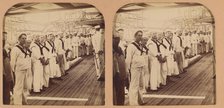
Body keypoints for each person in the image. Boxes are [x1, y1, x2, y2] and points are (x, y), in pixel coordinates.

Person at [126, 30, 145, 105]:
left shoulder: (140, 45)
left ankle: (140, 100)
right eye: (139, 35)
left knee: (140, 85)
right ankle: (133, 103)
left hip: (140, 67)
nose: (140, 37)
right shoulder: (131, 46)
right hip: (135, 68)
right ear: (135, 36)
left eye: (141, 35)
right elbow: (128, 58)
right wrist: (127, 69)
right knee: (134, 85)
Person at [10, 33, 30, 105]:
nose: (24, 40)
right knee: (18, 88)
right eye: (22, 38)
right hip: (19, 71)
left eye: (25, 38)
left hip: (25, 70)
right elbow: (12, 62)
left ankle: (24, 101)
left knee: (25, 87)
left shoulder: (25, 48)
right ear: (19, 39)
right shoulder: (15, 49)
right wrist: (13, 71)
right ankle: (17, 104)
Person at [113, 31, 127, 105]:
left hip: (122, 75)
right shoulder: (110, 50)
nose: (117, 40)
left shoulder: (120, 49)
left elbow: (123, 61)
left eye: (118, 38)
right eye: (115, 38)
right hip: (115, 75)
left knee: (121, 94)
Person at [3, 31, 14, 104]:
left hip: (7, 74)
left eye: (5, 37)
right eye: (3, 37)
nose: (4, 39)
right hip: (4, 74)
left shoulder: (4, 49)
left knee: (6, 92)